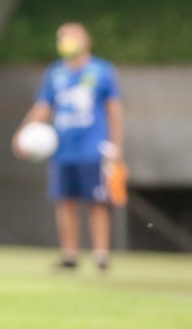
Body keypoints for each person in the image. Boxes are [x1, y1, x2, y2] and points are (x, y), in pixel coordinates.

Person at [13, 22, 124, 271]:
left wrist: (116, 146)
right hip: (63, 149)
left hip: (93, 147)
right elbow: (43, 106)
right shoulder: (55, 73)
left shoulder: (101, 71)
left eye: (71, 37)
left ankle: (100, 255)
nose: (66, 42)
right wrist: (23, 132)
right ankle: (70, 255)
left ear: (86, 40)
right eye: (61, 37)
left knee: (96, 202)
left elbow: (114, 108)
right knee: (64, 201)